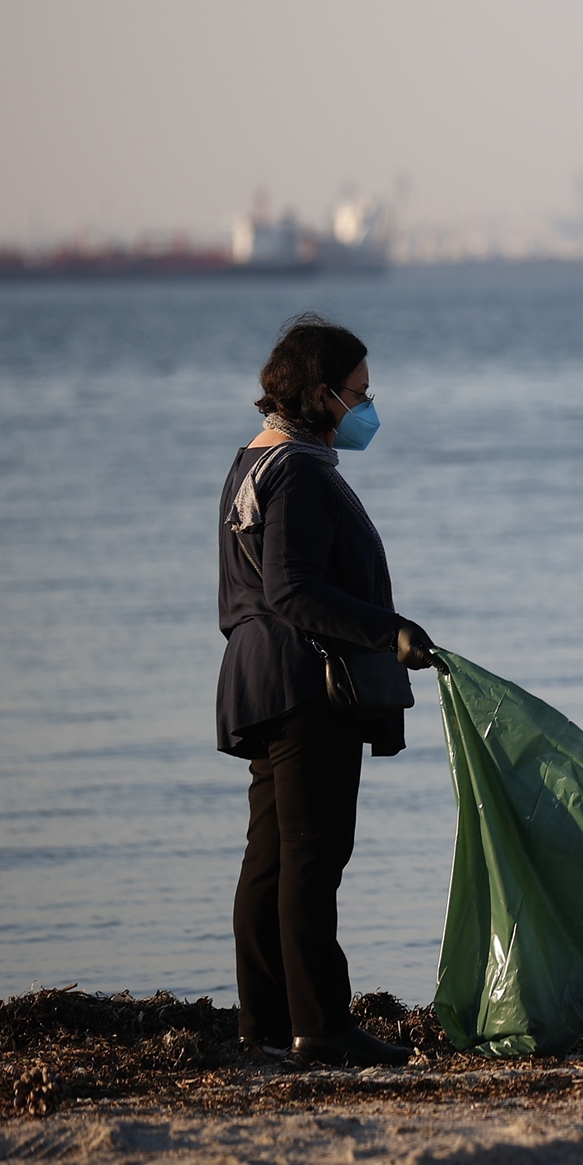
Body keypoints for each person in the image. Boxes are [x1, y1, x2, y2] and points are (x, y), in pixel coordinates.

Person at [216, 313, 437, 1066]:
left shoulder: (252, 460)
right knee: (314, 854)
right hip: (306, 683)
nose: (368, 407)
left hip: (255, 679)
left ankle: (264, 1022)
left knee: (272, 857)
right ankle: (320, 1023)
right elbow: (294, 589)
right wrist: (390, 630)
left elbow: (249, 594)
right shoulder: (302, 472)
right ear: (319, 394)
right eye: (357, 393)